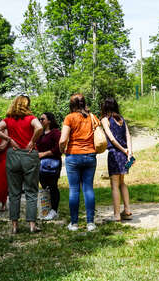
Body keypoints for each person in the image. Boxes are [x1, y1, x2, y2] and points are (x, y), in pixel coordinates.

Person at [0, 95, 43, 234]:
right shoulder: (31, 118)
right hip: (29, 155)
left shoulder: (8, 120)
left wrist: (8, 139)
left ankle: (14, 226)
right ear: (26, 105)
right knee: (31, 191)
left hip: (13, 155)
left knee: (14, 192)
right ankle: (32, 225)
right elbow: (39, 128)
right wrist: (32, 141)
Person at [59, 94, 97, 232]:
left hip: (73, 155)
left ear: (72, 104)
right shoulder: (91, 117)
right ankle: (90, 223)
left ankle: (74, 224)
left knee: (74, 190)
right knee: (88, 189)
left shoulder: (69, 118)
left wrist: (61, 150)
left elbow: (63, 139)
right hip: (90, 155)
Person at [101, 97, 133, 222]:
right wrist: (128, 152)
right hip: (125, 155)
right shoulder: (121, 119)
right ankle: (127, 210)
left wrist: (122, 150)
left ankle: (116, 215)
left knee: (114, 185)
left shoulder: (105, 120)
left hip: (115, 154)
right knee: (122, 182)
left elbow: (112, 139)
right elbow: (128, 136)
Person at [37, 112, 62, 221]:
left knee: (53, 186)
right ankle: (47, 208)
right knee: (45, 186)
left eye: (42, 119)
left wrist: (44, 154)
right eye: (40, 119)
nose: (40, 121)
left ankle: (54, 210)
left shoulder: (55, 132)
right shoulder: (40, 133)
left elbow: (58, 149)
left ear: (49, 121)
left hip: (53, 164)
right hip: (41, 165)